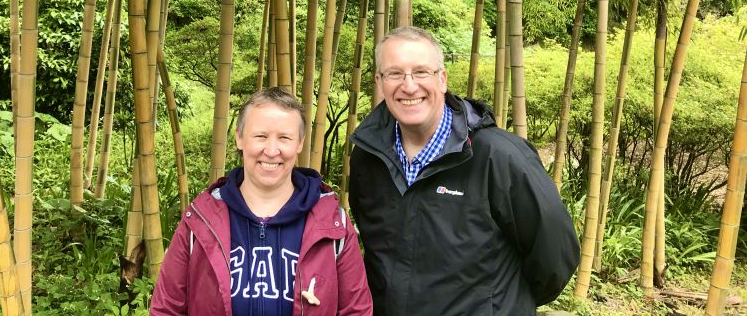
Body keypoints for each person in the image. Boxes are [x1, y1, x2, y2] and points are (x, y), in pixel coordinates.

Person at [349, 26, 580, 316]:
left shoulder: (499, 157)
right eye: (395, 73)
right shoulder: (369, 157)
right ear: (380, 82)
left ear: (442, 79)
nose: (409, 86)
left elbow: (555, 255)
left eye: (421, 72)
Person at [151, 87, 372, 316]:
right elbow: (166, 309)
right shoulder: (199, 222)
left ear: (299, 143)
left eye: (284, 138)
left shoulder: (333, 225)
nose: (272, 150)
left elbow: (357, 310)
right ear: (239, 137)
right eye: (261, 136)